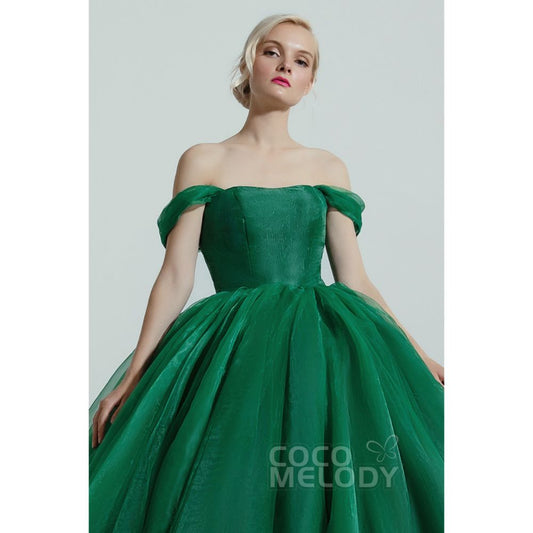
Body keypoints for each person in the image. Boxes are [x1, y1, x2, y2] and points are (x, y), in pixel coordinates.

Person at [89, 13, 444, 533]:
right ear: (249, 63)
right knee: (230, 483)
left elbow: (355, 279)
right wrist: (135, 374)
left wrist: (417, 353)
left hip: (322, 347)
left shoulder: (328, 167)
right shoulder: (203, 160)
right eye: (273, 51)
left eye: (302, 61)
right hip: (233, 349)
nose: (285, 66)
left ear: (310, 82)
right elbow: (175, 276)